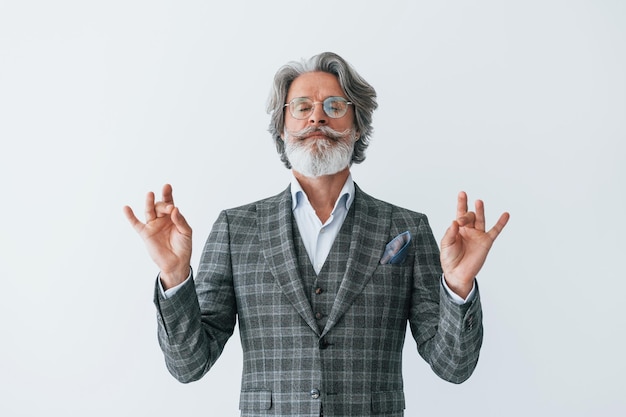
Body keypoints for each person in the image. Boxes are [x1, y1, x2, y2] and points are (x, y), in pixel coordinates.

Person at [123, 51, 509, 417]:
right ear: (282, 127)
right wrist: (174, 277)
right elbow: (189, 364)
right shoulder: (234, 229)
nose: (317, 118)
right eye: (302, 107)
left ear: (357, 127)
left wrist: (459, 287)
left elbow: (453, 367)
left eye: (334, 107)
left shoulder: (406, 228)